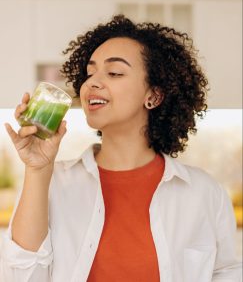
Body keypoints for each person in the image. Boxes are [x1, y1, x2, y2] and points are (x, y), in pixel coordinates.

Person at [0, 15, 241, 282]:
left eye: (114, 73)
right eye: (90, 73)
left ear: (153, 96)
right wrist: (37, 169)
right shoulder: (53, 181)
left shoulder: (204, 193)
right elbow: (21, 277)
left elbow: (226, 274)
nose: (92, 83)